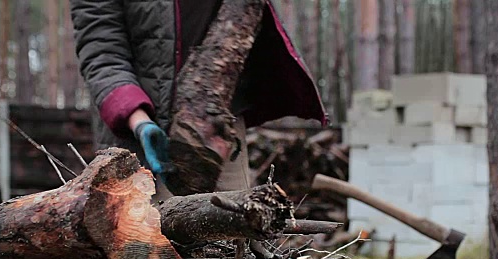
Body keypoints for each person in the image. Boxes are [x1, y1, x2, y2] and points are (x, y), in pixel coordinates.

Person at [70, 0, 327, 201]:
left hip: (218, 125)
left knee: (231, 245)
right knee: (155, 247)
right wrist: (140, 122)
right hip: (136, 130)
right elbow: (102, 52)